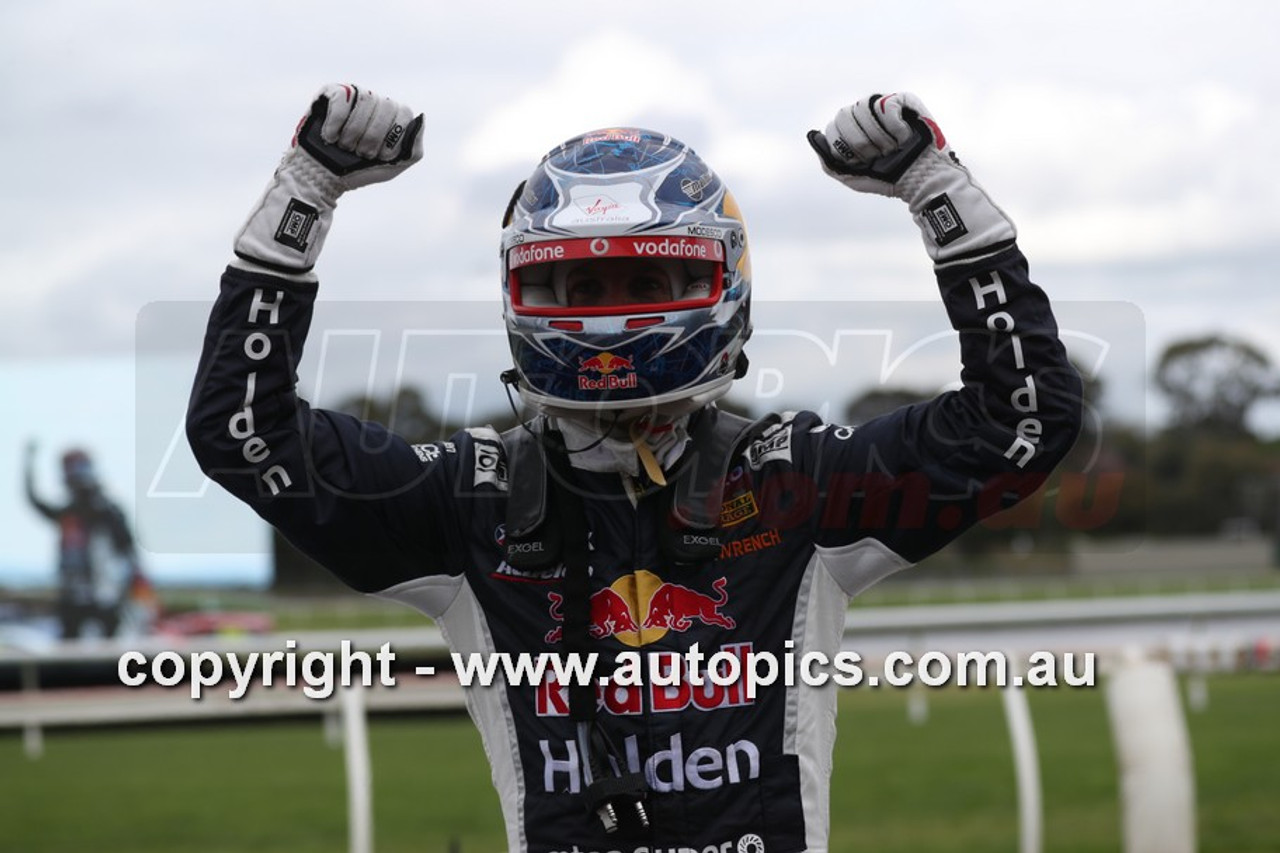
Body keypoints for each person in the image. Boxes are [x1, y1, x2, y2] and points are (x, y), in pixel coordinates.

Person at [187, 84, 1083, 852]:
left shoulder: (792, 485)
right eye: (582, 288)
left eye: (646, 283)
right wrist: (305, 194)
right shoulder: (466, 501)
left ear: (721, 282)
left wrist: (939, 190)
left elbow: (1022, 415)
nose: (612, 321)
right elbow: (241, 430)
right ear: (522, 292)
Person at [23, 443, 144, 639]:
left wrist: (130, 587)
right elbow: (35, 501)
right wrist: (28, 463)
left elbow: (128, 551)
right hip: (71, 594)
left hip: (104, 596)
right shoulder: (68, 513)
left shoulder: (106, 511)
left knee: (108, 649)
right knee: (70, 647)